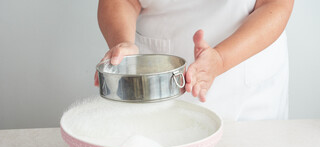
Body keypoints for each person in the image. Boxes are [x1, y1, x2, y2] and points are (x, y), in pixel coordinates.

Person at [94, 0, 294, 121]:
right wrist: (122, 41)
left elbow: (275, 3)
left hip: (248, 89)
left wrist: (221, 59)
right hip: (154, 82)